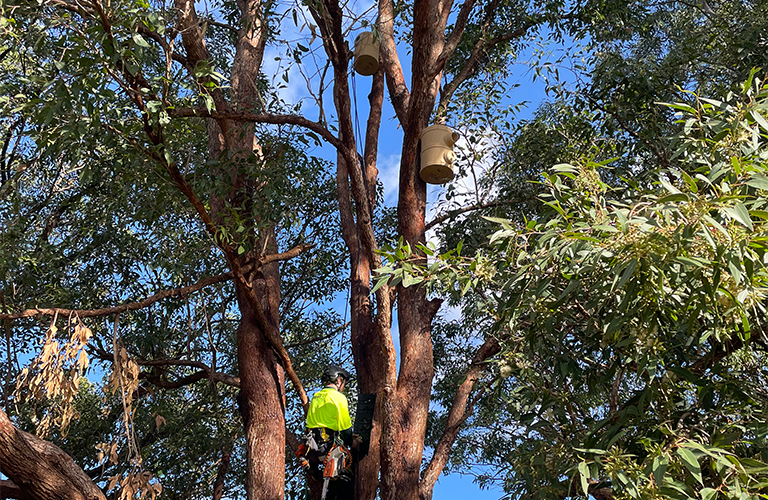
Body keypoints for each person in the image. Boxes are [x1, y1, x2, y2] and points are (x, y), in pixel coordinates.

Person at [304, 365, 356, 500]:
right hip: (329, 448)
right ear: (339, 380)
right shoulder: (338, 397)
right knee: (346, 479)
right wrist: (353, 441)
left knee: (330, 484)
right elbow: (345, 428)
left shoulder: (316, 397)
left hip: (313, 450)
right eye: (343, 382)